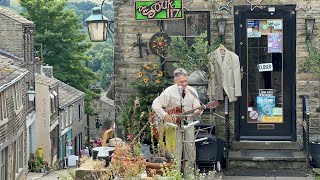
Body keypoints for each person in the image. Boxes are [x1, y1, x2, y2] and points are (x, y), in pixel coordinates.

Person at [152, 68, 203, 173]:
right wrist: (165, 115)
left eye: (186, 81)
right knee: (175, 150)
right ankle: (175, 174)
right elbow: (155, 105)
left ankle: (190, 174)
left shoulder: (192, 91)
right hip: (172, 125)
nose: (184, 83)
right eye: (181, 81)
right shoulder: (168, 92)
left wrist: (198, 111)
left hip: (188, 123)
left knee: (190, 147)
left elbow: (197, 105)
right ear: (175, 80)